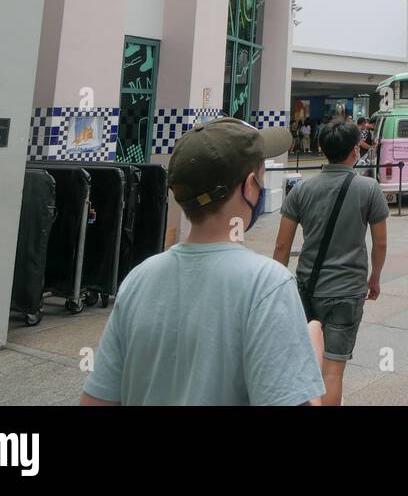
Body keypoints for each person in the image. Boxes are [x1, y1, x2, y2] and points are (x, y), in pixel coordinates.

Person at [82, 118, 326, 405]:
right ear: (250, 187)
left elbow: (97, 399)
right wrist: (310, 359)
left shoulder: (139, 278)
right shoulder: (267, 283)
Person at [272, 119, 388, 406]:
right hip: (348, 290)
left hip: (307, 289)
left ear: (322, 149)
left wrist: (275, 288)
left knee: (307, 366)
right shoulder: (369, 188)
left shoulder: (301, 190)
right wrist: (374, 278)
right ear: (353, 152)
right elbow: (381, 242)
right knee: (333, 371)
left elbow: (282, 245)